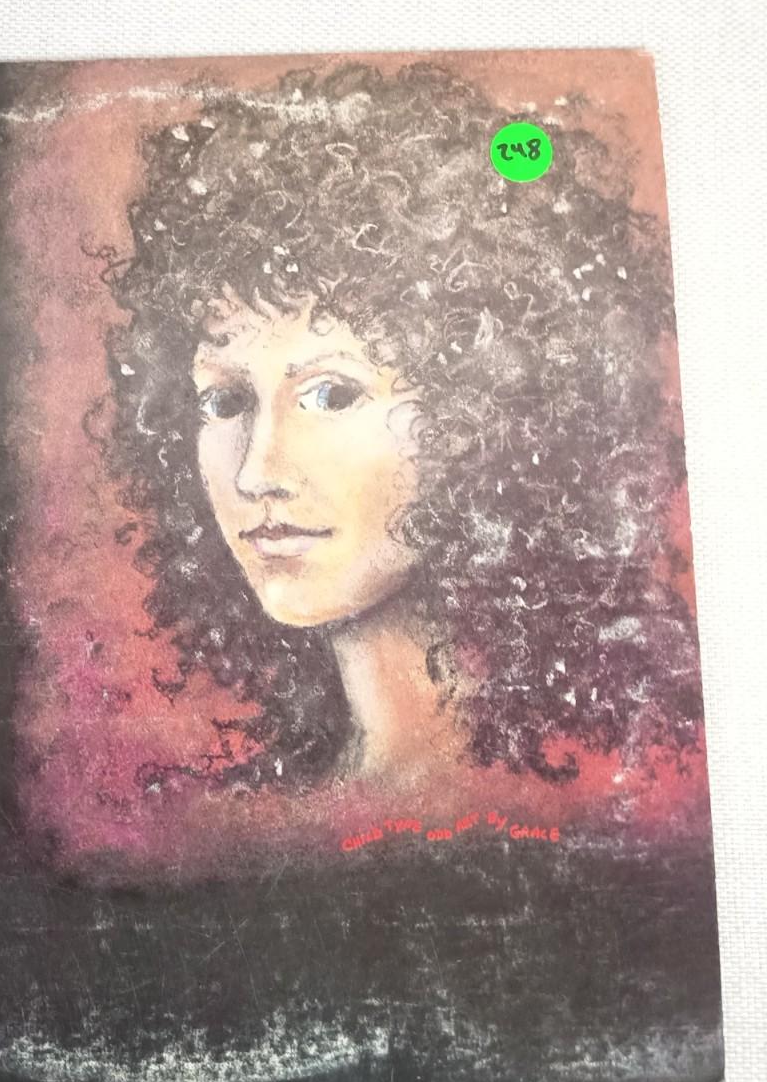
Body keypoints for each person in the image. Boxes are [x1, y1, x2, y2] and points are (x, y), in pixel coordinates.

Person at [101, 63, 702, 803]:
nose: (257, 471)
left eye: (331, 394)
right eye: (225, 401)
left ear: (482, 417)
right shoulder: (250, 814)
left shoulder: (620, 792)